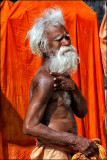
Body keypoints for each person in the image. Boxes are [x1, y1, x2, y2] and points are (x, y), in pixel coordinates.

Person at [23, 7, 101, 159]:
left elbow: (82, 112)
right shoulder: (46, 79)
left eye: (67, 36)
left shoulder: (61, 74)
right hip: (53, 152)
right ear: (44, 46)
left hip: (67, 151)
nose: (66, 42)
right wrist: (76, 140)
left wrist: (74, 89)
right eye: (59, 39)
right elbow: (29, 126)